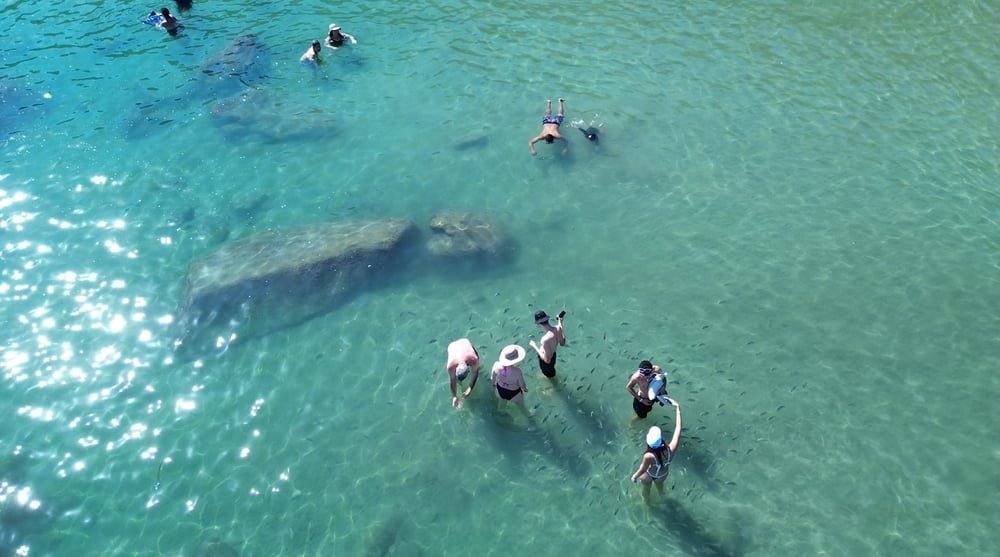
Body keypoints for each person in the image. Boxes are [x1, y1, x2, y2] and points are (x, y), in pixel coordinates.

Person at [630, 399, 682, 501]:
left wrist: (634, 477)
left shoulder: (648, 456)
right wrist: (678, 409)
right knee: (660, 489)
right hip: (662, 475)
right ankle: (662, 498)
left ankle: (647, 503)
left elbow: (643, 469)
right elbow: (678, 429)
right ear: (661, 439)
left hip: (648, 475)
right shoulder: (670, 450)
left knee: (645, 491)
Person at [528, 310, 566, 379]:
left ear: (538, 324)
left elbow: (547, 360)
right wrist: (560, 322)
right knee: (552, 372)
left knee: (549, 376)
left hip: (546, 364)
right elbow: (562, 343)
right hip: (553, 357)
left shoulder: (545, 339)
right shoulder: (558, 329)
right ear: (547, 319)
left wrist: (535, 346)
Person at [445, 338, 480, 409]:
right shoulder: (450, 366)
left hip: (465, 343)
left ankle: (477, 366)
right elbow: (452, 381)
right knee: (457, 381)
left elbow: (475, 373)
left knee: (477, 366)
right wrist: (454, 396)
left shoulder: (474, 358)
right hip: (452, 347)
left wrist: (470, 389)